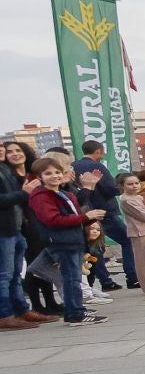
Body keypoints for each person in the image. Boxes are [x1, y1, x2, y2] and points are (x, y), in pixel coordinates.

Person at [27, 158, 108, 326]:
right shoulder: (42, 196)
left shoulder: (65, 194)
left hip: (72, 240)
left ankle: (75, 308)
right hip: (61, 242)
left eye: (57, 172)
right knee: (71, 279)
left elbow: (76, 217)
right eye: (48, 173)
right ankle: (75, 314)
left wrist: (87, 220)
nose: (54, 176)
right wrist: (86, 217)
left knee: (70, 277)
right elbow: (53, 220)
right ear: (39, 177)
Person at [71, 140, 129, 289]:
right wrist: (120, 188)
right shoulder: (97, 166)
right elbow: (110, 188)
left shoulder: (73, 166)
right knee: (127, 240)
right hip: (104, 210)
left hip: (84, 211)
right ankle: (132, 276)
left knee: (93, 246)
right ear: (98, 151)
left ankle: (100, 281)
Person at [0, 141, 41, 329]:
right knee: (4, 274)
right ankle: (4, 314)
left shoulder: (5, 170)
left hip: (15, 229)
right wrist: (23, 193)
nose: (2, 150)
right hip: (3, 232)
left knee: (16, 274)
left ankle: (21, 310)